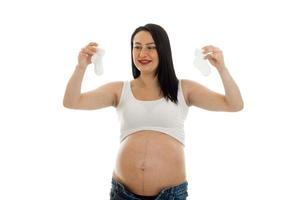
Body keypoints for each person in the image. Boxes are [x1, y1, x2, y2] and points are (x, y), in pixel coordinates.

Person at [63, 23, 244, 200]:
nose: (142, 54)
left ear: (163, 51)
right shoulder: (119, 90)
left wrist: (222, 69)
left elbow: (234, 104)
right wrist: (81, 67)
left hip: (170, 195)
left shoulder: (183, 89)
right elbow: (72, 102)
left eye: (151, 47)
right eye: (137, 47)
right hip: (123, 193)